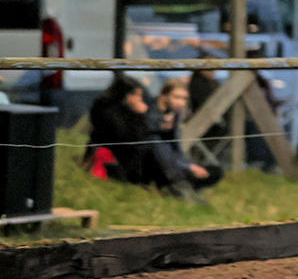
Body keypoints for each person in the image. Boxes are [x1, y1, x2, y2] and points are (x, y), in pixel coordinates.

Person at [85, 76, 217, 202]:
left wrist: (187, 164)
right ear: (125, 95)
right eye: (136, 95)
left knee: (213, 171)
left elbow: (171, 147)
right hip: (119, 162)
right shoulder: (112, 112)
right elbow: (134, 140)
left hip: (148, 159)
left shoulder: (171, 115)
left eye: (183, 99)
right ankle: (180, 183)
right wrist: (142, 117)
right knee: (154, 144)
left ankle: (182, 181)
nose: (139, 99)